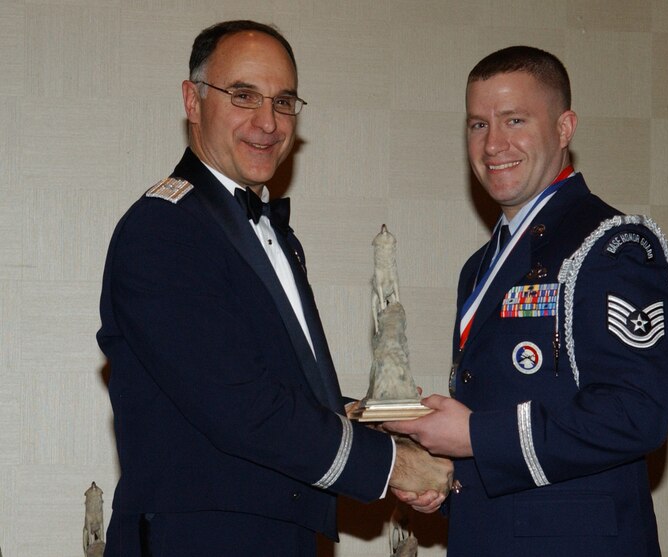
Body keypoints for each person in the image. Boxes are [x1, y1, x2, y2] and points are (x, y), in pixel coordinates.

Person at [96, 20, 451, 557]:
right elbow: (239, 404)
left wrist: (385, 425)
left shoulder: (268, 234)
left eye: (284, 103)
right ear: (193, 101)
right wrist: (392, 466)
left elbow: (283, 390)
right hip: (197, 540)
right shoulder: (163, 229)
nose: (268, 122)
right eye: (243, 96)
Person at [387, 46, 668, 556]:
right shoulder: (480, 265)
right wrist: (446, 479)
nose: (493, 144)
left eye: (514, 120)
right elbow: (509, 415)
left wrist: (475, 434)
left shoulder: (613, 243)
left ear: (564, 128)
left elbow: (635, 413)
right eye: (478, 125)